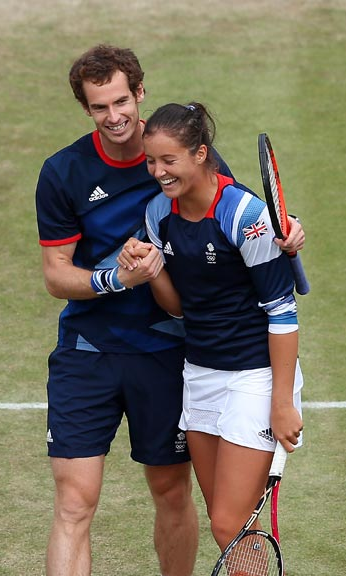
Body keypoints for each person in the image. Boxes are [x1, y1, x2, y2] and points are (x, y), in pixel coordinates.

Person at [34, 45, 305, 576]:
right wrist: (121, 276)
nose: (114, 117)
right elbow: (55, 274)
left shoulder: (185, 153)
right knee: (73, 501)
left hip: (170, 355)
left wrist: (288, 227)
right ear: (85, 109)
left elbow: (245, 216)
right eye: (98, 107)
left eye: (120, 101)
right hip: (90, 353)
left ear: (139, 93)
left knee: (177, 494)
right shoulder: (64, 172)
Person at [123, 101, 304, 554]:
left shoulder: (246, 217)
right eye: (151, 161)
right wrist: (152, 271)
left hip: (254, 379)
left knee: (229, 523)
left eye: (169, 160)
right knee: (228, 525)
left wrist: (281, 403)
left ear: (200, 154)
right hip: (200, 374)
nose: (158, 171)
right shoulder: (156, 215)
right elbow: (179, 309)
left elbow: (282, 313)